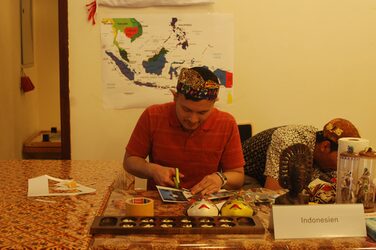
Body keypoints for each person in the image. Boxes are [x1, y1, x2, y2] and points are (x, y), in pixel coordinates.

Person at [123, 66, 245, 195]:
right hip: (160, 202)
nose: (193, 119)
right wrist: (152, 170)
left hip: (206, 206)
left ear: (214, 103)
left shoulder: (227, 123)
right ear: (175, 98)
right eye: (186, 110)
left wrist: (220, 179)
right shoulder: (153, 115)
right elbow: (130, 161)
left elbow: (238, 175)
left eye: (202, 112)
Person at [242, 118, 360, 190]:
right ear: (325, 146)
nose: (346, 165)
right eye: (343, 158)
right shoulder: (290, 142)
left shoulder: (325, 155)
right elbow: (273, 193)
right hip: (247, 177)